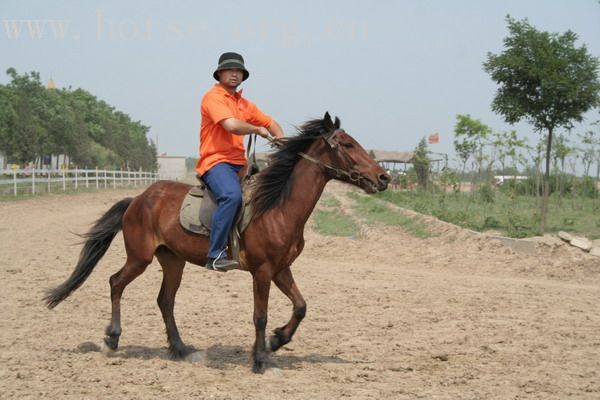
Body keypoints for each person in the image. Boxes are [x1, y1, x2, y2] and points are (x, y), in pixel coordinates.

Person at [196, 52, 284, 272]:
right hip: (216, 162)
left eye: (239, 71)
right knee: (232, 196)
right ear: (220, 73)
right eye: (230, 70)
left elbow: (271, 122)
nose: (235, 74)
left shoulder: (245, 104)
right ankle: (215, 254)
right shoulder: (212, 98)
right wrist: (257, 130)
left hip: (240, 164)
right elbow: (232, 126)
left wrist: (282, 141)